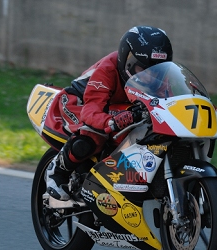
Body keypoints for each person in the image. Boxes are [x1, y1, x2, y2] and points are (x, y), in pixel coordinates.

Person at [46, 25, 173, 200]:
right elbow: (91, 112)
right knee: (92, 135)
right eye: (143, 69)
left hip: (119, 108)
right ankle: (57, 170)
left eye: (158, 69)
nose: (151, 77)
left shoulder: (161, 77)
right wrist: (110, 122)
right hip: (79, 103)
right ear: (127, 61)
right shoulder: (108, 69)